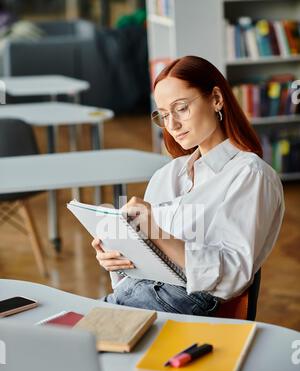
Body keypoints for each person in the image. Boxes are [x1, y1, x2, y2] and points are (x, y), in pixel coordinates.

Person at [92, 55, 284, 316]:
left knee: (78, 339)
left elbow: (233, 276)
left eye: (181, 108)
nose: (172, 125)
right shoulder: (167, 175)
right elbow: (150, 266)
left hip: (190, 309)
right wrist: (120, 259)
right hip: (143, 292)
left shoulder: (250, 174)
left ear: (216, 99)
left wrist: (156, 232)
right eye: (163, 115)